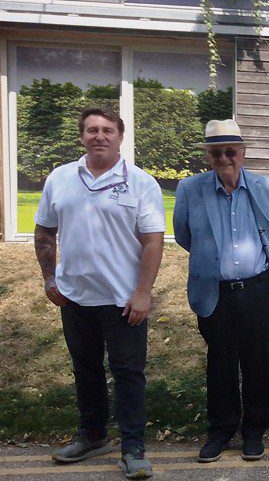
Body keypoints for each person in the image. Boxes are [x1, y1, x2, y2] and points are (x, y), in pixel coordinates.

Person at [34, 108, 165, 480]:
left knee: (128, 374)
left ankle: (133, 449)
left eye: (107, 130)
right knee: (86, 369)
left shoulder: (141, 183)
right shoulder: (60, 179)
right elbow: (44, 232)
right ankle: (93, 436)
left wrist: (143, 293)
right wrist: (49, 279)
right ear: (82, 136)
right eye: (92, 130)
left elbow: (153, 242)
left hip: (123, 299)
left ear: (120, 136)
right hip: (75, 296)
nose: (99, 136)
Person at [173, 119, 269, 463]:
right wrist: (213, 259)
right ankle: (221, 431)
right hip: (216, 291)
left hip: (259, 290)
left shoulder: (268, 187)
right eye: (216, 153)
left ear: (242, 152)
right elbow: (184, 236)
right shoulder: (189, 189)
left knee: (258, 361)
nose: (224, 158)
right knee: (220, 363)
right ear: (208, 155)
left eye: (231, 151)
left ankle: (254, 431)